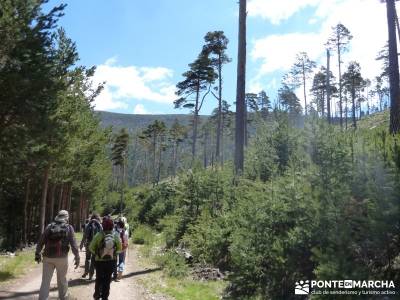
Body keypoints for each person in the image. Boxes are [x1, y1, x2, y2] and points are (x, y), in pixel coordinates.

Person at [35, 210, 80, 300]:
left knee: (45, 281)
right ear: (66, 218)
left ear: (58, 217)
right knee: (62, 280)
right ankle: (63, 298)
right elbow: (74, 244)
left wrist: (37, 253)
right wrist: (77, 256)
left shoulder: (49, 226)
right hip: (62, 258)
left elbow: (41, 241)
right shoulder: (69, 227)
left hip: (48, 257)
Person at [89, 216, 122, 300]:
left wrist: (97, 254)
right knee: (107, 280)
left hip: (99, 261)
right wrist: (113, 253)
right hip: (111, 261)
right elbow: (119, 249)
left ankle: (97, 295)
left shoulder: (98, 235)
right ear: (112, 226)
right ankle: (105, 297)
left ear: (103, 225)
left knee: (99, 278)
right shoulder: (115, 235)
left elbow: (91, 248)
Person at [81, 213, 102, 280]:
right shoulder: (99, 226)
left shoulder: (88, 225)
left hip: (88, 244)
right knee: (93, 260)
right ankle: (91, 275)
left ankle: (86, 272)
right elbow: (102, 233)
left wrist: (81, 244)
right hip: (96, 245)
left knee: (87, 258)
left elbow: (85, 235)